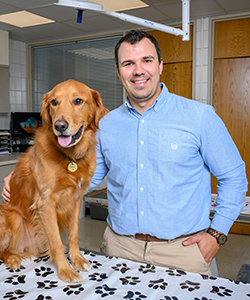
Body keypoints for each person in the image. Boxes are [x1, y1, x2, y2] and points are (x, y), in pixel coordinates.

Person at [2, 30, 248, 275]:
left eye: (147, 61)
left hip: (184, 251)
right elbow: (86, 177)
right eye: (128, 64)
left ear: (160, 65)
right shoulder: (105, 124)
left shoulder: (200, 116)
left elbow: (234, 179)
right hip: (119, 247)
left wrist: (216, 235)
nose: (138, 70)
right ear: (119, 73)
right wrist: (27, 179)